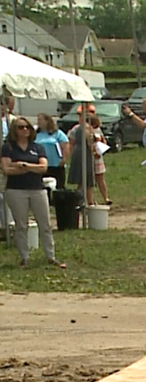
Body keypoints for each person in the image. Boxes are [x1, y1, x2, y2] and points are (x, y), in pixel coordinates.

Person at [2, 115, 65, 268]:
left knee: (45, 224)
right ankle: (24, 258)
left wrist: (23, 165)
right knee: (21, 225)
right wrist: (31, 168)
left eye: (27, 127)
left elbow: (43, 168)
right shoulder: (8, 147)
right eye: (20, 127)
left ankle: (50, 256)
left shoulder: (37, 147)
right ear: (14, 130)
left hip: (37, 189)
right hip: (16, 190)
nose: (25, 130)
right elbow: (6, 169)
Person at [34, 113, 70, 190]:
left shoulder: (57, 133)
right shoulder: (35, 134)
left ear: (47, 121)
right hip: (40, 165)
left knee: (58, 187)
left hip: (56, 164)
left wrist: (64, 159)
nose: (38, 121)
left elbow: (66, 146)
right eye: (38, 120)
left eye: (40, 119)